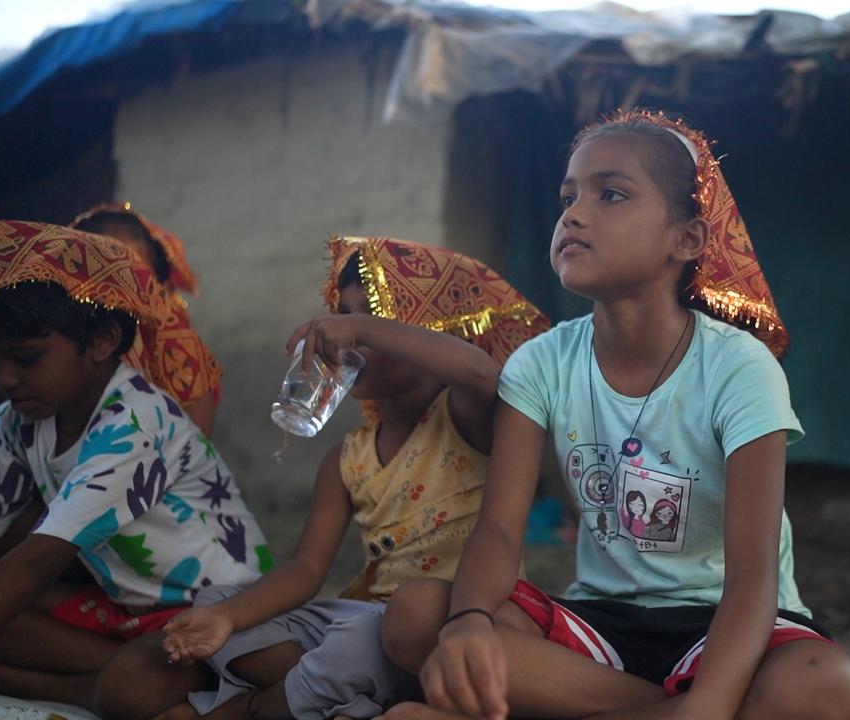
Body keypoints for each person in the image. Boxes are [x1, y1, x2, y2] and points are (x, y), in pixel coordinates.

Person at [378, 110, 850, 720]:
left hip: (725, 626)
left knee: (826, 684)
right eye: (568, 196)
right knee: (417, 617)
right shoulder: (541, 364)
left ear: (686, 240)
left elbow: (751, 573)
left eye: (611, 194)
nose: (574, 213)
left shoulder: (740, 368)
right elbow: (501, 531)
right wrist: (470, 624)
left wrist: (709, 701)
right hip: (601, 630)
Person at [137, 237, 548, 720]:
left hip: (440, 623)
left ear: (422, 332)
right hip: (363, 617)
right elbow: (307, 570)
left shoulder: (463, 417)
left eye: (372, 318)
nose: (349, 337)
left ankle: (258, 709)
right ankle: (342, 695)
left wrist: (361, 328)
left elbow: (482, 373)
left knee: (358, 645)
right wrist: (226, 618)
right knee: (221, 599)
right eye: (344, 315)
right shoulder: (346, 458)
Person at [0, 220, 269, 714]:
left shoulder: (135, 423)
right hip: (124, 612)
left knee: (131, 689)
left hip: (214, 615)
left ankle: (78, 685)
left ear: (102, 342)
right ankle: (114, 671)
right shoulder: (19, 420)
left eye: (26, 358)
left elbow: (36, 564)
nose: (4, 379)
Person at [72, 203, 222, 436]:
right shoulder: (57, 344)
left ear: (159, 287)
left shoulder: (183, 360)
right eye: (102, 276)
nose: (117, 294)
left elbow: (194, 457)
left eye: (136, 279)